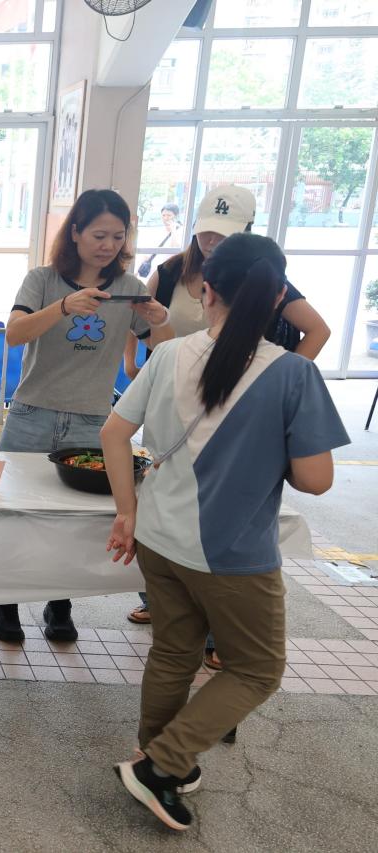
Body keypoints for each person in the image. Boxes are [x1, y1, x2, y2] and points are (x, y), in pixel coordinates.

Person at [102, 232, 347, 832]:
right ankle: (162, 764)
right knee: (258, 668)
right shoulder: (292, 374)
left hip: (158, 536)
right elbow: (316, 480)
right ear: (278, 298)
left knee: (173, 650)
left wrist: (127, 512)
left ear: (205, 291)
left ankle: (155, 755)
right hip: (232, 551)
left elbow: (114, 434)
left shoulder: (167, 355)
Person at [123, 185, 331, 644]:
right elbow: (140, 320)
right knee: (176, 486)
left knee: (216, 508)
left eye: (225, 233)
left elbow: (318, 329)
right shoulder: (169, 272)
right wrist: (134, 364)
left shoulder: (260, 274)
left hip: (239, 407)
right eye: (206, 233)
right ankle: (161, 602)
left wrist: (282, 384)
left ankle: (213, 633)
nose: (213, 242)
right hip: (177, 393)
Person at [0, 189, 173, 645]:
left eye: (118, 236)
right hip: (32, 413)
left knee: (75, 521)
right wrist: (63, 307)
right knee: (13, 511)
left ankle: (60, 601)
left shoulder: (128, 288)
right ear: (75, 232)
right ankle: (5, 602)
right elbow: (14, 334)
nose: (108, 245)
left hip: (92, 419)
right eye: (98, 235)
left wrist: (159, 317)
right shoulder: (43, 280)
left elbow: (166, 349)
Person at [136, 203, 182, 277]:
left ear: (176, 216)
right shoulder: (159, 231)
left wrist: (173, 230)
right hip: (153, 272)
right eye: (163, 215)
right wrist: (137, 270)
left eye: (169, 215)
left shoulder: (181, 231)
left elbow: (175, 249)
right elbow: (148, 253)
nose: (166, 218)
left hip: (168, 272)